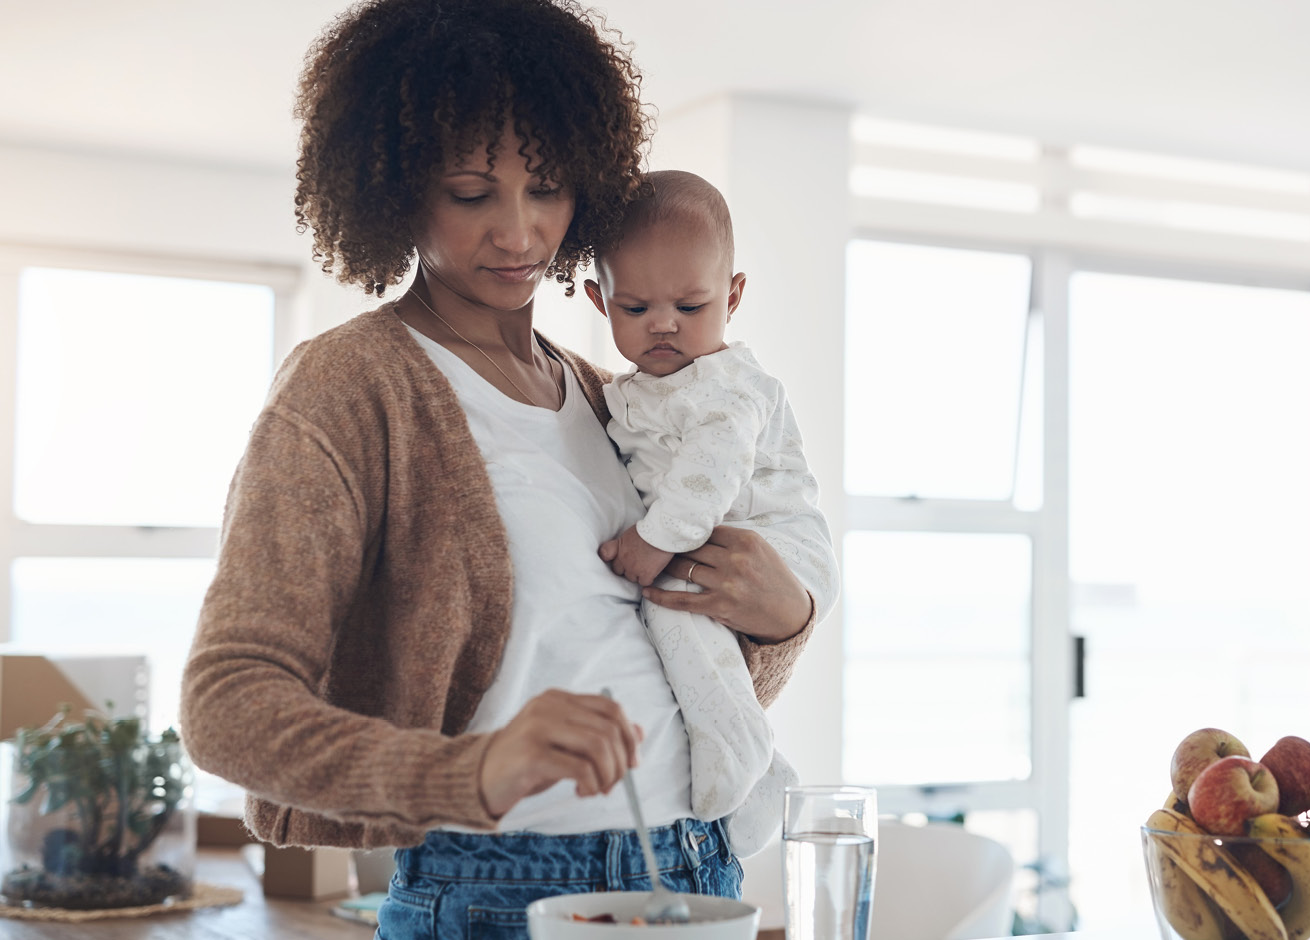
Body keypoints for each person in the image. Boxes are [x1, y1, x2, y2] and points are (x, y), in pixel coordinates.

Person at [178, 2, 836, 937]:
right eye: (471, 192)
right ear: (398, 187)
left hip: (697, 864)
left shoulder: (619, 397)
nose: (520, 233)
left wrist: (784, 617)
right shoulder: (352, 388)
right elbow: (225, 705)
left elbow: (683, 662)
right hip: (495, 889)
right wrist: (471, 773)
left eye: (548, 187)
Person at [584, 170, 836, 857]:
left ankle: (741, 751)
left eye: (690, 306)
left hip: (779, 541)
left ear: (732, 296)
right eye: (635, 308)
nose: (663, 324)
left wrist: (651, 539)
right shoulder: (632, 391)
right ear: (597, 301)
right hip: (721, 544)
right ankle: (763, 774)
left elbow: (711, 469)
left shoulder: (729, 384)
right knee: (669, 623)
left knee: (671, 608)